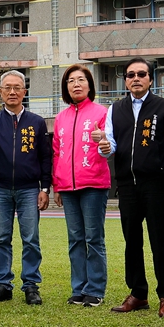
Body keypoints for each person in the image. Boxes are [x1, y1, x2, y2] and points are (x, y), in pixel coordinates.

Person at [95, 58, 164, 318]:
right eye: (130, 74)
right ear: (125, 79)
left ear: (151, 79)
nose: (136, 78)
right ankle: (138, 293)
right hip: (127, 185)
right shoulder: (115, 109)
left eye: (142, 74)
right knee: (132, 241)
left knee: (159, 241)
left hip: (156, 185)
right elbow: (109, 144)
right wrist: (105, 147)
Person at [0, 70, 52, 306]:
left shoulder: (36, 122)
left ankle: (31, 285)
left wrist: (45, 188)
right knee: (2, 238)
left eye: (17, 87)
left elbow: (46, 157)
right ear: (1, 92)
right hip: (0, 188)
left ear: (24, 92)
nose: (13, 92)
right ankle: (4, 284)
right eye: (8, 87)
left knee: (31, 238)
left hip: (29, 189)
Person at [52, 65, 111, 308]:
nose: (76, 84)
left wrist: (104, 141)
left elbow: (109, 147)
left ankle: (95, 289)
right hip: (67, 187)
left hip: (94, 184)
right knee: (75, 238)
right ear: (66, 87)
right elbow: (57, 152)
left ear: (89, 85)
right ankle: (79, 288)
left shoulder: (101, 112)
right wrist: (56, 185)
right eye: (71, 81)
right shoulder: (61, 117)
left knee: (93, 238)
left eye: (81, 80)